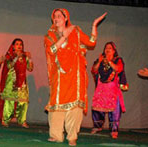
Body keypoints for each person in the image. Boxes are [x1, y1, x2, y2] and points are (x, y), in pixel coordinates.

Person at [44, 8, 106, 146]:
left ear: (66, 18)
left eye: (59, 16)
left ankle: (72, 136)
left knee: (75, 107)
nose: (56, 18)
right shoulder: (50, 35)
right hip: (59, 75)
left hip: (75, 75)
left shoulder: (76, 31)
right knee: (57, 104)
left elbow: (91, 42)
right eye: (54, 16)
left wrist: (94, 26)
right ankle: (56, 135)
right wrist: (64, 37)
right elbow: (51, 50)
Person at [90, 42, 128, 139]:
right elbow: (94, 70)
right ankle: (97, 127)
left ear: (114, 50)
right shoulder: (101, 60)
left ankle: (114, 131)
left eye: (110, 48)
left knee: (114, 111)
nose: (107, 49)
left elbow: (119, 69)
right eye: (106, 48)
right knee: (97, 107)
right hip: (101, 88)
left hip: (112, 88)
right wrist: (99, 61)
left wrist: (109, 61)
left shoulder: (118, 60)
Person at [0, 38, 33, 128]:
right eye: (17, 44)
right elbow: (9, 66)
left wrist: (30, 58)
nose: (19, 46)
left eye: (21, 44)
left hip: (22, 83)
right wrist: (16, 57)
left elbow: (30, 68)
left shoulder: (25, 56)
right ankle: (5, 120)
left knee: (23, 103)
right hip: (11, 82)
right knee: (9, 102)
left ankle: (22, 121)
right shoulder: (10, 55)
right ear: (13, 46)